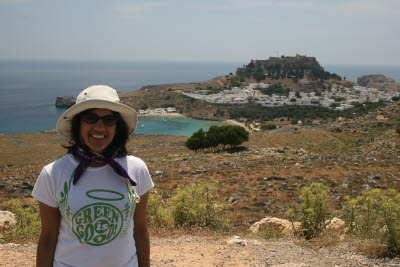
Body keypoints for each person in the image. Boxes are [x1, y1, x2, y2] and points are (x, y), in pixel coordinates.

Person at [32, 85, 154, 267]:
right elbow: (48, 237)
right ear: (78, 124)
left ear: (117, 126)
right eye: (91, 118)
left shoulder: (136, 169)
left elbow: (140, 230)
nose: (99, 127)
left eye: (108, 120)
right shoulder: (53, 173)